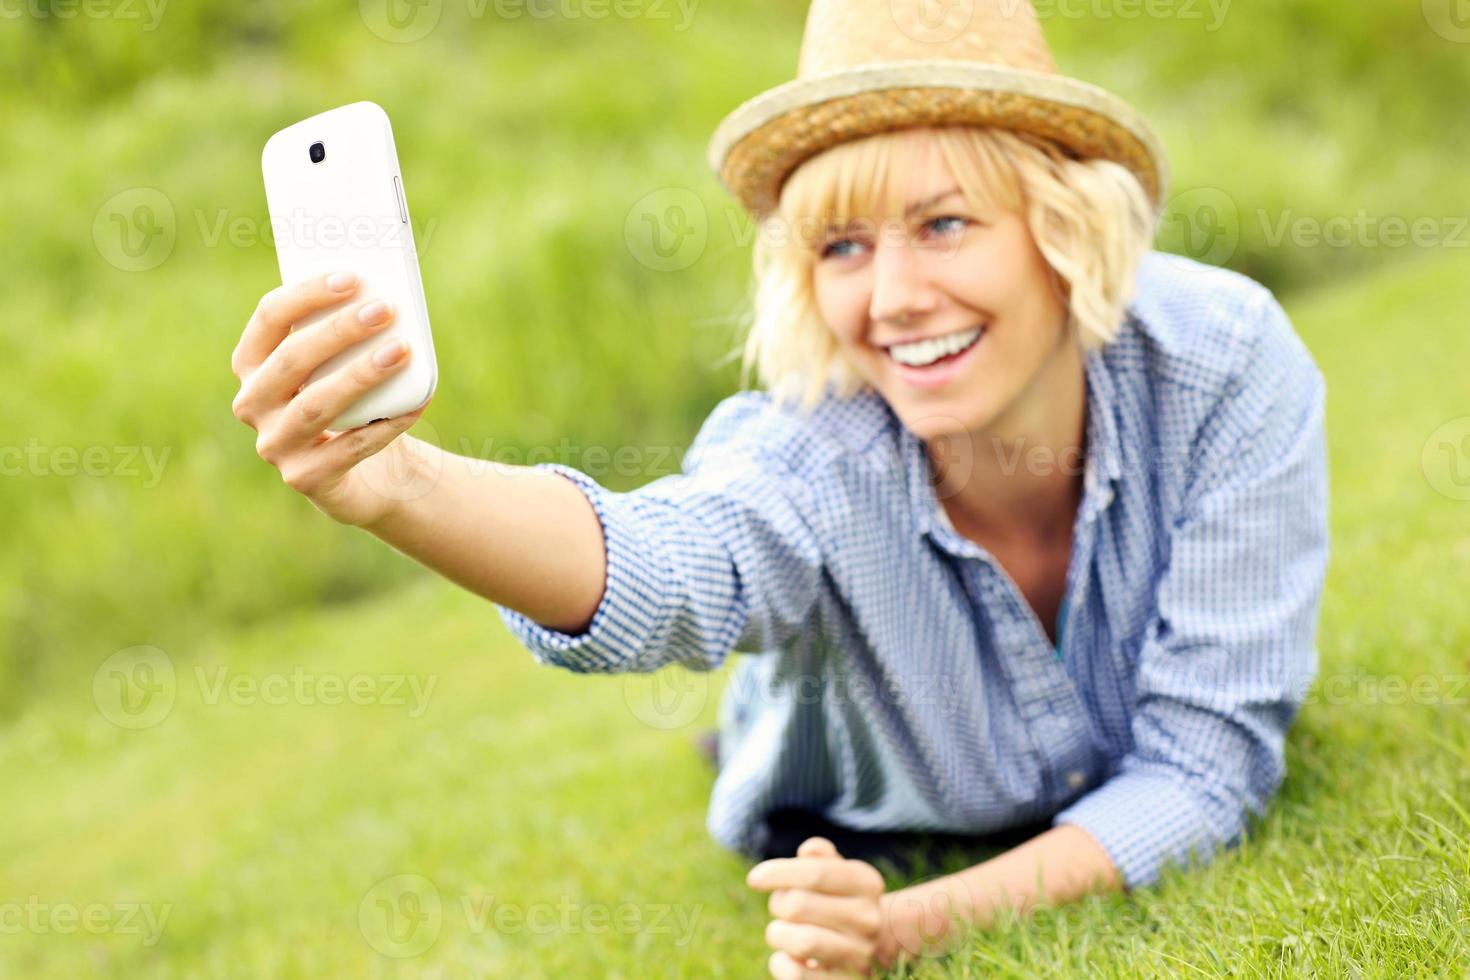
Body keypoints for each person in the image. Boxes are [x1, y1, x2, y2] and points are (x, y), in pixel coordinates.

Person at [228, 0, 1330, 972]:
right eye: (842, 245)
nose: (894, 297)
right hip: (864, 802)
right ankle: (768, 726)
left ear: (1064, 225)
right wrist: (400, 484)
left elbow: (1206, 764)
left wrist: (905, 927)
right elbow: (667, 562)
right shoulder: (814, 448)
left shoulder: (1221, 361)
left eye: (944, 223)